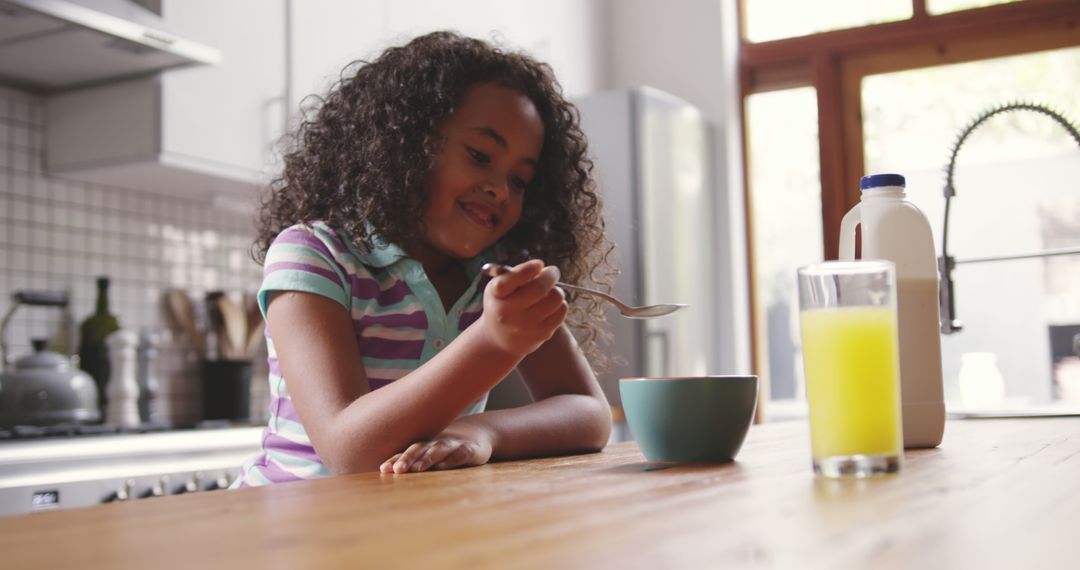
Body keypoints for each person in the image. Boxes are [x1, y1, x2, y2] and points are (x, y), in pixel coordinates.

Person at [233, 30, 615, 486]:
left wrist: (482, 431)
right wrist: (495, 342)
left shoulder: (497, 279)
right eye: (479, 155)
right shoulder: (313, 255)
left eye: (519, 180)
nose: (499, 188)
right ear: (407, 143)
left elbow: (590, 413)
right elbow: (349, 450)